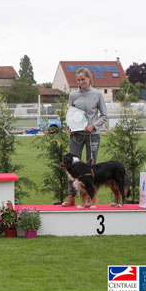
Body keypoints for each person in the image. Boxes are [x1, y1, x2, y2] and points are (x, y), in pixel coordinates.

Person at [62, 67, 108, 207]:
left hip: (92, 136)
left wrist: (93, 126)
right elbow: (70, 115)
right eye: (78, 80)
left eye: (83, 79)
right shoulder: (73, 95)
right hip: (76, 136)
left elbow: (104, 116)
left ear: (89, 78)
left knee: (90, 166)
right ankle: (71, 197)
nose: (80, 82)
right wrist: (69, 127)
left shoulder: (97, 94)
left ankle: (89, 197)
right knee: (71, 166)